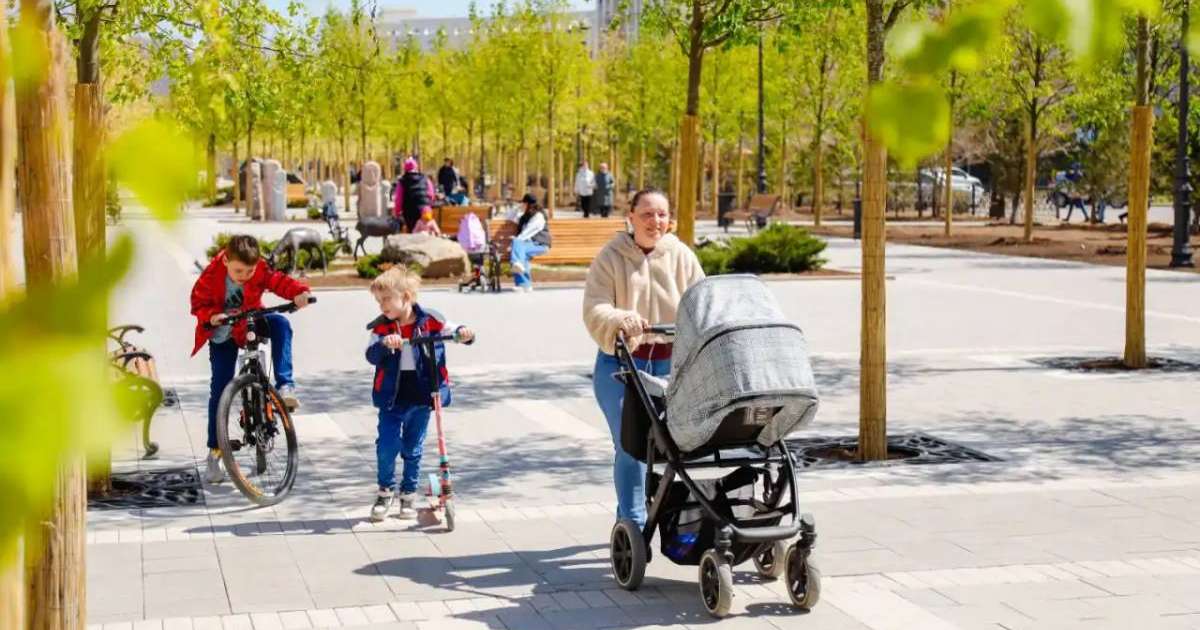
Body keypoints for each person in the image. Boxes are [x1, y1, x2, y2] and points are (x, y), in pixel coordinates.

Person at [582, 189, 705, 528]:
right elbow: (595, 306)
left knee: (674, 448)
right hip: (621, 366)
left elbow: (703, 301)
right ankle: (633, 523)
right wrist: (621, 319)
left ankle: (645, 517)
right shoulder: (611, 256)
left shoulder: (681, 256)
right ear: (631, 217)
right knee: (631, 445)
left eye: (662, 214)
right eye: (647, 214)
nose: (655, 221)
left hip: (672, 365)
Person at [191, 234, 313, 484]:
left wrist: (300, 293)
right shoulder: (211, 275)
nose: (244, 276)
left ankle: (285, 385)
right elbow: (197, 303)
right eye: (238, 271)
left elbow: (278, 281)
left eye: (250, 271)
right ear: (226, 261)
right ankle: (215, 452)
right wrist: (211, 316)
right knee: (220, 390)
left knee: (280, 324)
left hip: (250, 320)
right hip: (222, 332)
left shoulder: (260, 269)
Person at [365, 267, 474, 521]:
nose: (382, 305)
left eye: (386, 299)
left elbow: (455, 330)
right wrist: (385, 344)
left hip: (423, 395)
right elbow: (371, 354)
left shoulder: (430, 320)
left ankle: (408, 495)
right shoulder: (382, 327)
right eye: (379, 301)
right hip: (392, 397)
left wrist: (465, 333)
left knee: (413, 448)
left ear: (406, 296)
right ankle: (385, 491)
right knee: (387, 446)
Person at [510, 193, 552, 292]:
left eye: (523, 203)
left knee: (517, 248)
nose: (522, 205)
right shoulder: (524, 216)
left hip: (540, 245)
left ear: (527, 204)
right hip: (527, 245)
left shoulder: (538, 216)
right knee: (522, 255)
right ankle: (525, 285)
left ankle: (519, 270)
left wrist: (517, 240)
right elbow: (510, 217)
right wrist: (517, 208)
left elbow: (529, 231)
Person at [394, 157, 436, 233]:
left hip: (410, 213)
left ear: (405, 169)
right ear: (416, 168)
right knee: (427, 233)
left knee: (413, 233)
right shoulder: (425, 179)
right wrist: (428, 206)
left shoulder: (402, 181)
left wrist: (397, 213)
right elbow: (431, 195)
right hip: (425, 212)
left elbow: (398, 200)